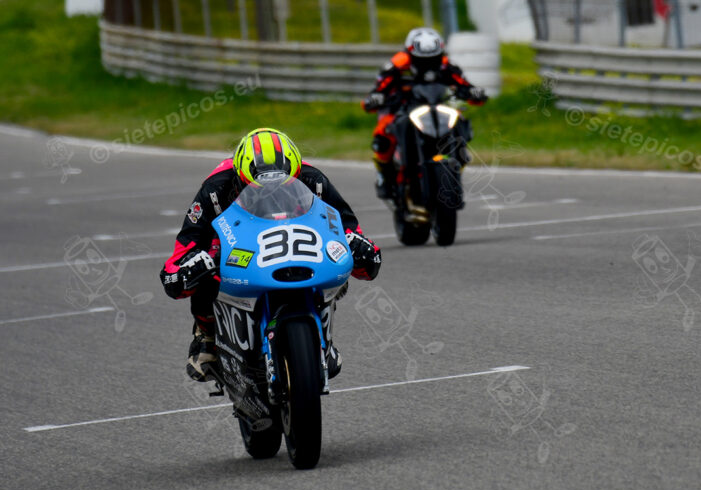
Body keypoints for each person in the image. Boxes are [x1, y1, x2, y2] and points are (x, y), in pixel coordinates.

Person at [159, 128, 382, 382]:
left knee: (339, 258)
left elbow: (347, 228)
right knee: (204, 264)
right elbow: (184, 250)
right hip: (239, 241)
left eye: (285, 188)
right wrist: (186, 270)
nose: (273, 195)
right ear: (240, 179)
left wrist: (359, 248)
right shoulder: (214, 189)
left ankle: (322, 335)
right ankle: (207, 335)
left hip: (297, 241)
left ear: (296, 175)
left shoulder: (314, 180)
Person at [362, 27, 488, 200]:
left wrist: (474, 93)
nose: (428, 66)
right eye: (422, 61)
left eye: (433, 60)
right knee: (383, 134)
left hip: (437, 106)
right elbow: (377, 89)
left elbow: (465, 85)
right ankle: (384, 174)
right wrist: (375, 98)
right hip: (402, 108)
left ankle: (456, 168)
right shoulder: (396, 65)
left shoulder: (446, 65)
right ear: (410, 54)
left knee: (459, 120)